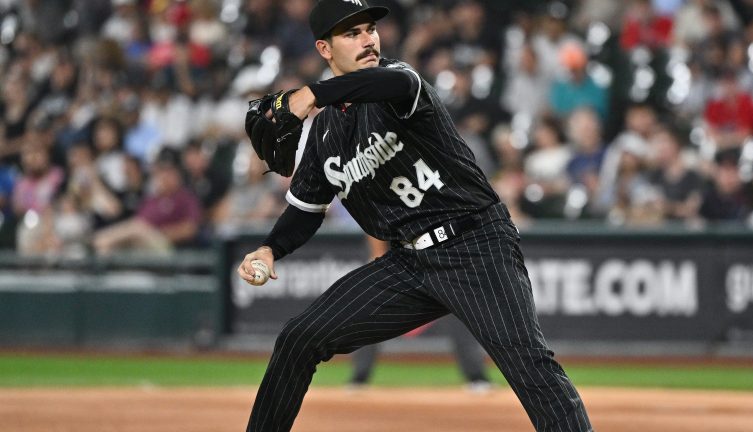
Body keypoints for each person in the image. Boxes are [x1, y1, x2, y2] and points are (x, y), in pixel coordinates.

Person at [237, 1, 593, 431]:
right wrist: (270, 248)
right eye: (351, 34)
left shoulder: (400, 81)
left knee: (531, 369)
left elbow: (388, 84)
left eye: (370, 28)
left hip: (475, 245)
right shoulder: (325, 134)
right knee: (298, 338)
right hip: (409, 264)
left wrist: (311, 92)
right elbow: (304, 211)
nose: (368, 39)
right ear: (324, 48)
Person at [347, 237, 492, 393]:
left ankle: (476, 376)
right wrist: (378, 252)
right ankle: (359, 378)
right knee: (372, 310)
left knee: (457, 311)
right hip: (397, 255)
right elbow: (375, 221)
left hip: (436, 254)